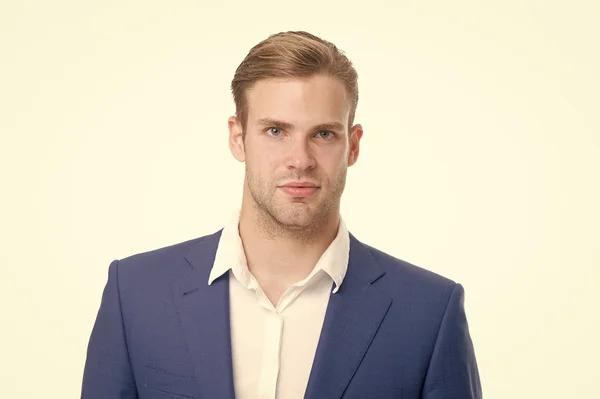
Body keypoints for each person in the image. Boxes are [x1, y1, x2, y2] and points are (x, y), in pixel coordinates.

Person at [81, 30, 482, 399]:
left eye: (323, 134)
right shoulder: (135, 293)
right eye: (276, 131)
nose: (299, 160)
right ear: (238, 138)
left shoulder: (429, 312)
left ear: (353, 146)